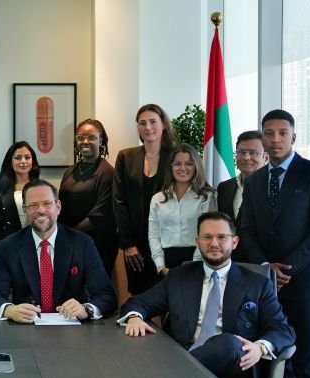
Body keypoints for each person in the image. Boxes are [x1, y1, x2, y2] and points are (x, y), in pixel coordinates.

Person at [119, 211, 295, 378]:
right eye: (207, 237)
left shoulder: (257, 284)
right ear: (197, 241)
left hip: (234, 374)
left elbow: (283, 330)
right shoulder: (179, 277)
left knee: (230, 343)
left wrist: (259, 348)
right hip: (186, 354)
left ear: (234, 242)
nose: (214, 243)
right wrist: (134, 317)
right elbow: (139, 302)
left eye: (221, 237)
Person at [239, 109, 310, 378]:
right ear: (263, 137)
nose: (276, 139)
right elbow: (246, 229)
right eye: (269, 133)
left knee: (305, 360)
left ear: (293, 136)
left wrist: (288, 268)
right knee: (273, 357)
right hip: (266, 285)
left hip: (305, 284)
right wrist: (266, 267)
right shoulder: (255, 181)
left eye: (282, 133)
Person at [0, 179, 117, 323]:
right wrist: (9, 310)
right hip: (26, 329)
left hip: (72, 329)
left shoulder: (82, 243)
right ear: (25, 210)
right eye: (33, 205)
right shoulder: (9, 246)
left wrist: (86, 309)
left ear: (58, 207)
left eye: (47, 203)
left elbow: (106, 295)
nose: (41, 210)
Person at [113, 103, 175, 295]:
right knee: (140, 296)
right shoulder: (126, 156)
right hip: (135, 244)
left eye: (153, 122)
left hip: (167, 241)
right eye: (142, 123)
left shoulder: (176, 157)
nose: (148, 127)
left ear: (163, 124)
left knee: (168, 294)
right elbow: (119, 200)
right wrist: (128, 244)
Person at [59, 119, 117, 276]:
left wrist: (69, 234)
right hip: (70, 245)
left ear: (101, 141)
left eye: (91, 137)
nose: (85, 141)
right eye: (80, 137)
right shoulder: (70, 171)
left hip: (96, 246)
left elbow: (100, 216)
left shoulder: (107, 173)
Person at [148, 144, 216, 277]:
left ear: (196, 166)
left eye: (189, 164)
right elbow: (154, 235)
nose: (183, 168)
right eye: (177, 164)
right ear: (170, 167)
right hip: (166, 262)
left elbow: (207, 234)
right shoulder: (157, 199)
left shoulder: (206, 197)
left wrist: (194, 264)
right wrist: (161, 266)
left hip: (197, 259)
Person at [0, 141, 40, 245]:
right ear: (10, 162)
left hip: (39, 242)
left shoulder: (42, 188)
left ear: (33, 161)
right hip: (11, 244)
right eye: (18, 158)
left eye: (27, 157)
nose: (23, 161)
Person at [217, 130, 267, 224]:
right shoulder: (224, 187)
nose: (246, 157)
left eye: (253, 153)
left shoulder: (274, 188)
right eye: (241, 152)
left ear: (266, 157)